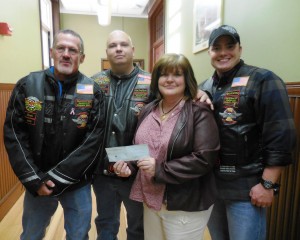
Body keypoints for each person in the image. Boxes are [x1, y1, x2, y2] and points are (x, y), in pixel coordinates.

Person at [3, 29, 106, 240]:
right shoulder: (27, 86)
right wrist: (34, 179)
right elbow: (14, 135)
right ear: (52, 52)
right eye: (61, 48)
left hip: (77, 183)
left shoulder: (93, 91)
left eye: (73, 50)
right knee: (31, 234)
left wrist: (59, 177)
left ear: (82, 57)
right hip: (37, 181)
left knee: (78, 235)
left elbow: (94, 141)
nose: (66, 54)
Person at [199, 25, 297, 240]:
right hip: (213, 187)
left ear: (240, 49)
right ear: (210, 53)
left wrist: (268, 184)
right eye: (217, 48)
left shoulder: (263, 79)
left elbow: (280, 135)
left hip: (247, 189)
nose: (223, 52)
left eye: (230, 46)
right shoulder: (204, 86)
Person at [114, 53, 220, 240]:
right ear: (156, 80)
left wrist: (160, 169)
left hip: (184, 202)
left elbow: (205, 158)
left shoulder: (198, 110)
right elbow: (140, 147)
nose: (170, 79)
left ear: (187, 79)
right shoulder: (149, 109)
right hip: (151, 199)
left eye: (177, 74)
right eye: (164, 74)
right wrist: (127, 165)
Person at [91, 30, 151, 240]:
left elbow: (160, 133)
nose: (118, 48)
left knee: (138, 227)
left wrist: (199, 92)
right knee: (106, 224)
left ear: (133, 50)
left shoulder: (152, 83)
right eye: (113, 45)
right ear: (106, 52)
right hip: (102, 173)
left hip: (137, 174)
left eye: (123, 44)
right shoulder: (93, 83)